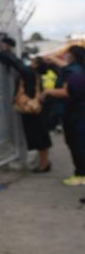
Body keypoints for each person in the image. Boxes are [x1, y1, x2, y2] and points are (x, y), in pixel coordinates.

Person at [0, 37, 52, 172]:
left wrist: (2, 50)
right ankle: (45, 162)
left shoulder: (29, 73)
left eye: (34, 60)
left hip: (31, 110)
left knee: (39, 138)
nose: (31, 60)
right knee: (42, 137)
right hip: (37, 110)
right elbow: (17, 63)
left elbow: (16, 63)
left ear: (36, 65)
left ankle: (44, 164)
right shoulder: (35, 74)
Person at [42, 45, 85, 185]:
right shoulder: (77, 68)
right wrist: (53, 59)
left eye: (67, 54)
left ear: (72, 56)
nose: (65, 56)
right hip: (76, 113)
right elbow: (65, 66)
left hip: (75, 114)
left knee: (77, 144)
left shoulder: (74, 72)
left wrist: (48, 92)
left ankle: (81, 174)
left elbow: (66, 92)